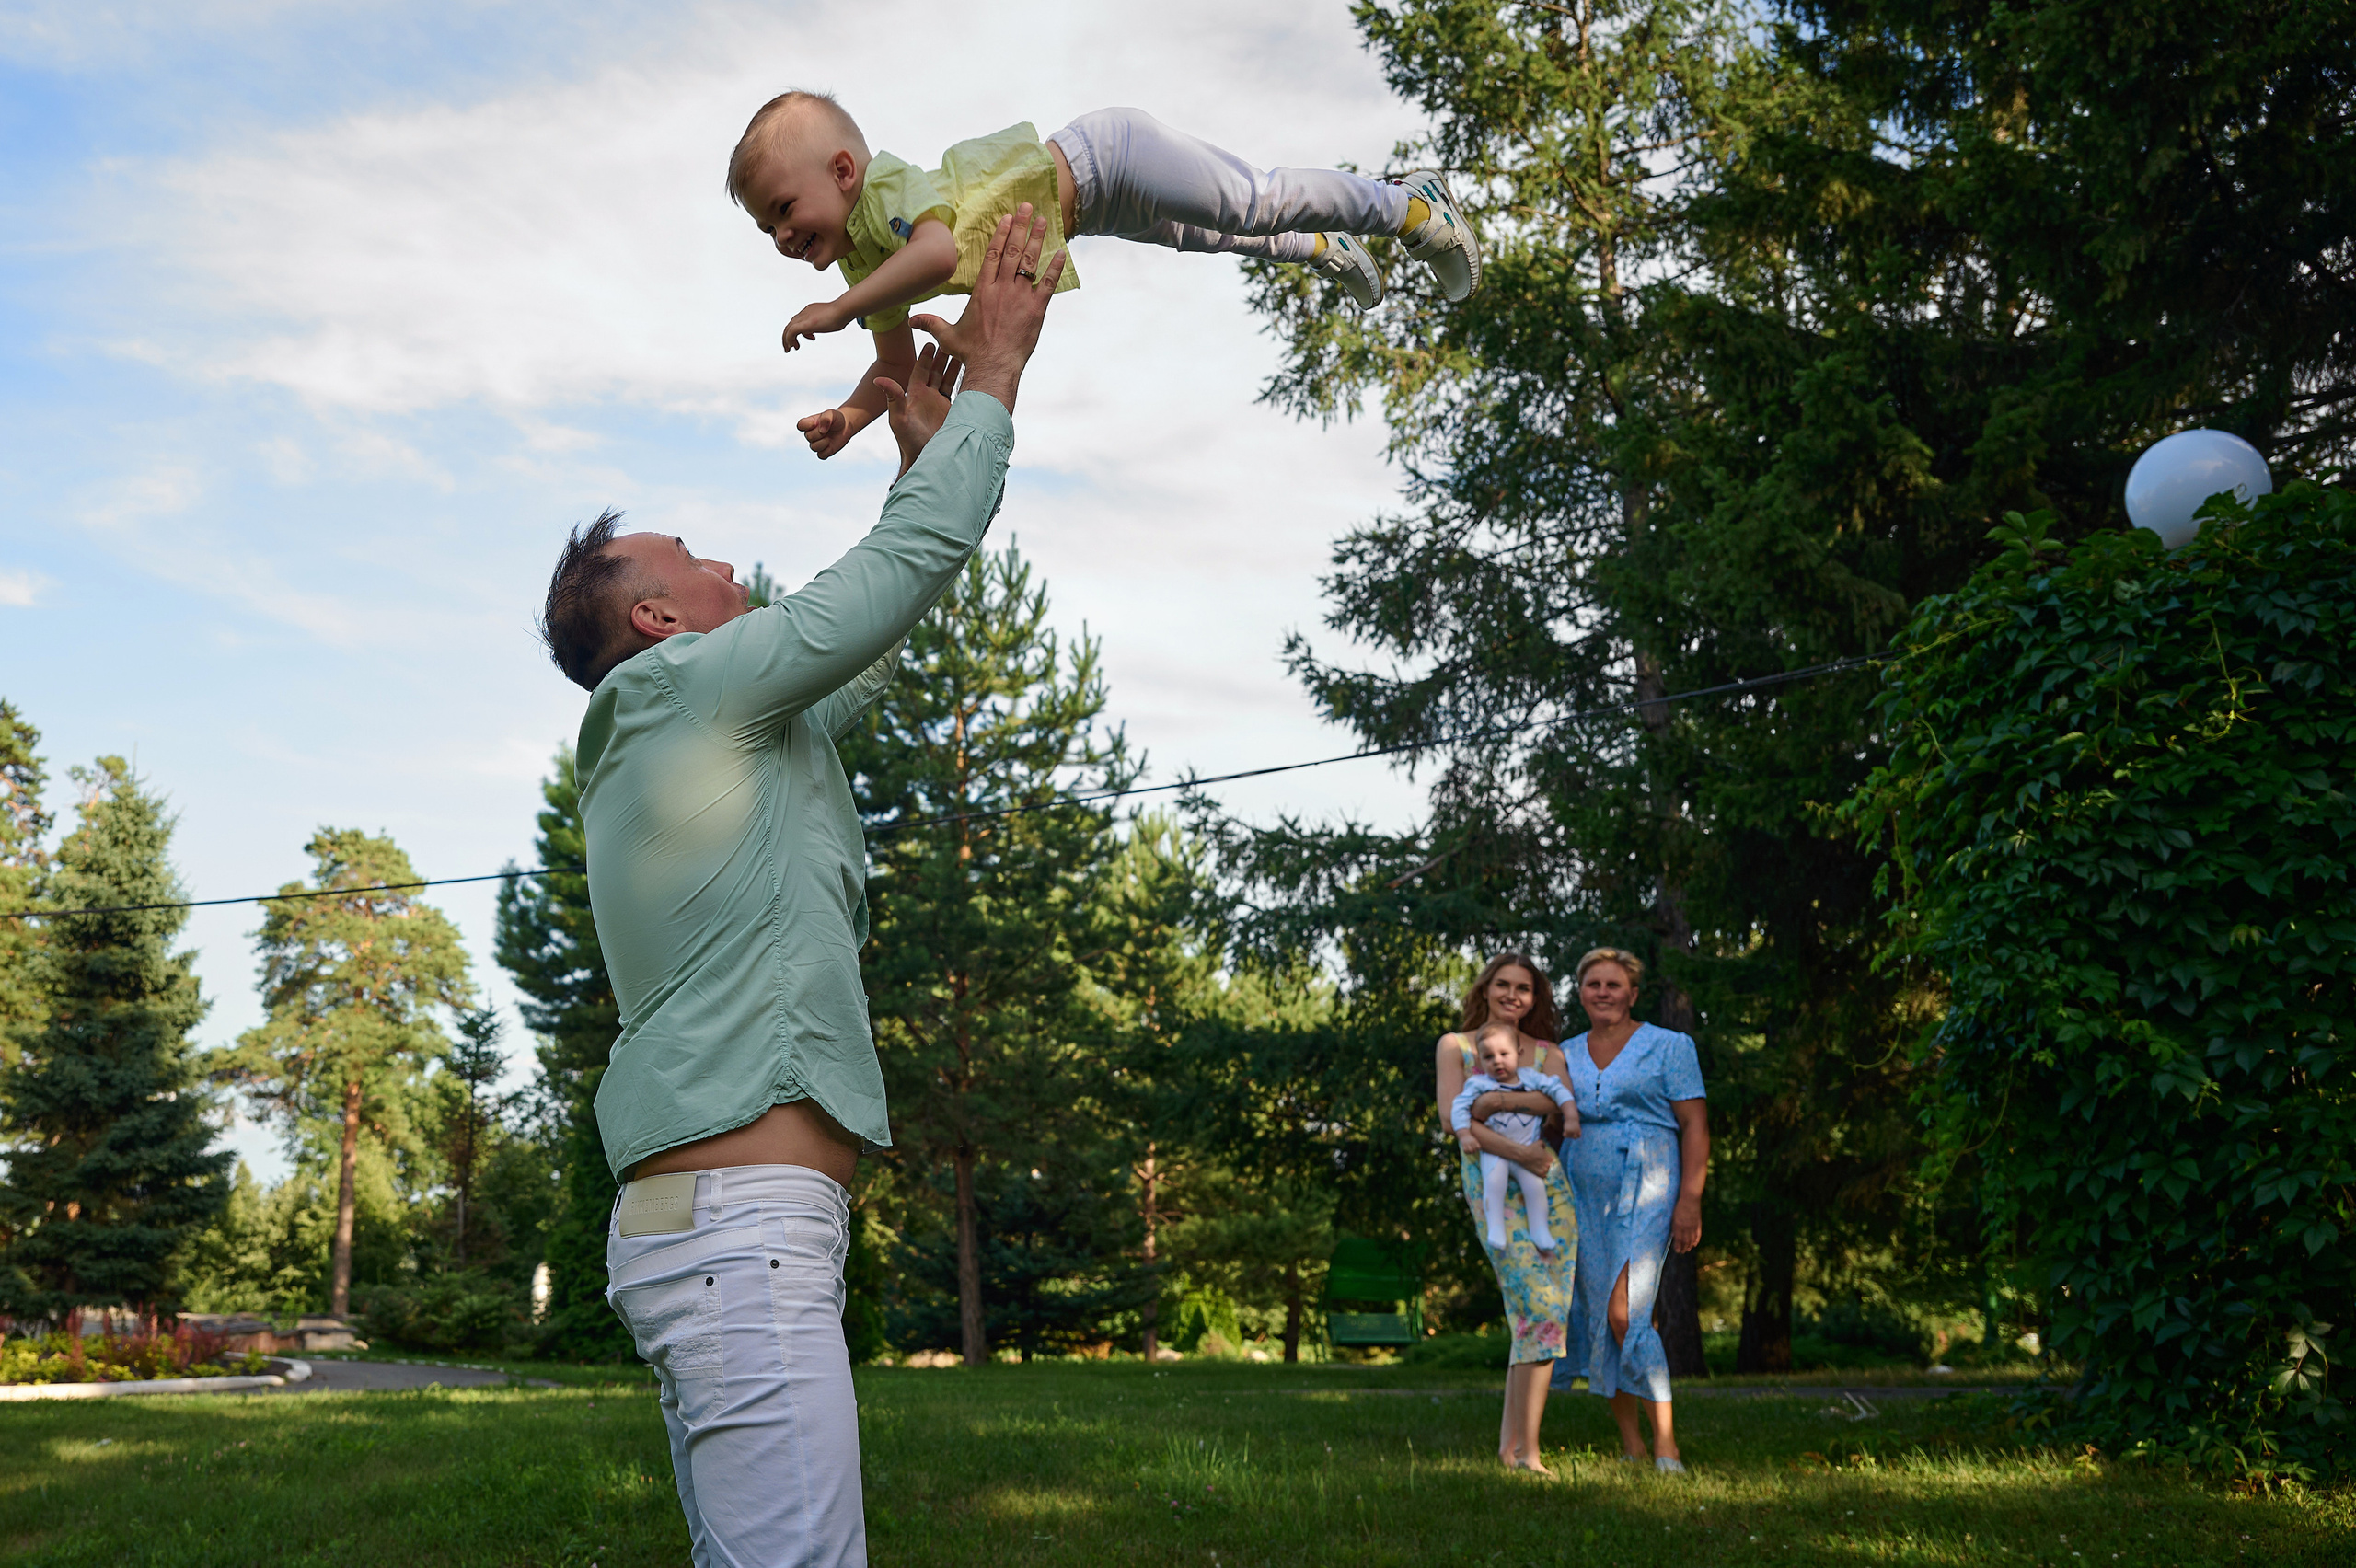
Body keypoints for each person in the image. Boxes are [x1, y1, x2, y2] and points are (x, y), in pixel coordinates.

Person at [534, 208, 1065, 1568]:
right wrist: (996, 369)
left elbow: (883, 618)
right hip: (736, 1239)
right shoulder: (684, 689)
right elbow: (877, 591)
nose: (727, 566)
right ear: (655, 620)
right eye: (695, 561)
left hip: (727, 1235)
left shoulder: (715, 725)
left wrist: (925, 455)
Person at [725, 91, 1484, 459]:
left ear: (844, 169)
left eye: (786, 209)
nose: (783, 235)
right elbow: (892, 365)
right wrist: (850, 420)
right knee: (1215, 238)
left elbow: (937, 254)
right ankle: (1327, 249)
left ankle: (1406, 206)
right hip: (1091, 210)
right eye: (768, 228)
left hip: (1104, 159)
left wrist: (835, 308)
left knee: (1255, 202)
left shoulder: (886, 194)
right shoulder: (863, 263)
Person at [1551, 947, 1711, 1473]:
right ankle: (1631, 1443)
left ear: (1633, 993)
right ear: (1581, 993)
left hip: (1650, 1182)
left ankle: (1667, 1445)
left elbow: (1695, 1126)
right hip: (1582, 1189)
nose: (1603, 992)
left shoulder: (1670, 1046)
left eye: (1613, 984)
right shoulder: (1564, 1052)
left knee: (1627, 1311)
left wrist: (1690, 1199)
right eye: (1593, 984)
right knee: (1601, 1316)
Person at [1436, 952, 1577, 1473]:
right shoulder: (1456, 1047)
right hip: (1497, 1187)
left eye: (1524, 987)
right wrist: (1518, 1144)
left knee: (1540, 1318)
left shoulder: (1548, 1052)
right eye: (1503, 985)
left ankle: (1510, 1448)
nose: (1512, 995)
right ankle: (1530, 1455)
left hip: (1550, 1192)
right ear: (1486, 989)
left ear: (1535, 997)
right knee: (1537, 1311)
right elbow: (1453, 1119)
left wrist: (1492, 1104)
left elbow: (1563, 1103)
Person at [1450, 1028, 1580, 1251]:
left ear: (1519, 1053)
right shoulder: (1479, 1084)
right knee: (1494, 1184)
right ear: (1480, 1060)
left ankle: (1540, 1231)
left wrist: (1571, 1117)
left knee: (1535, 1189)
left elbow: (1560, 1092)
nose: (1497, 1062)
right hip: (1496, 1150)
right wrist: (1464, 1134)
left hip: (1527, 1148)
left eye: (1504, 1054)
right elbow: (1458, 1107)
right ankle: (1496, 1227)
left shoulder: (1532, 1078)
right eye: (1489, 1057)